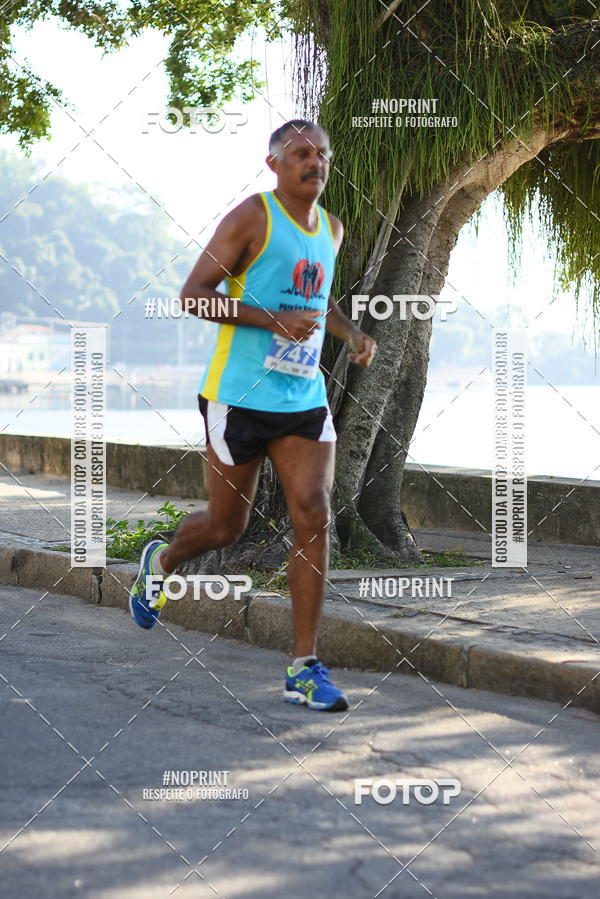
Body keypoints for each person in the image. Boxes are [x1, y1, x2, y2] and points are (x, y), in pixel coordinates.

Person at [129, 119, 377, 711]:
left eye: (321, 153)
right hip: (238, 395)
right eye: (301, 153)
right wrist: (271, 319)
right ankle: (161, 561)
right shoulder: (253, 217)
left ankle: (304, 667)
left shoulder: (332, 229)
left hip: (302, 400)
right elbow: (194, 294)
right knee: (226, 527)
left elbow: (317, 297)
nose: (314, 162)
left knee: (313, 514)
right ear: (274, 164)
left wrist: (350, 334)